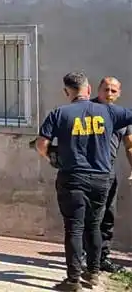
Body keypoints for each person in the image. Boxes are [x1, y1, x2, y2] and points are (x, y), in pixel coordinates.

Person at [35, 72, 132, 291]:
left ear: (66, 92)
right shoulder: (109, 111)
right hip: (101, 178)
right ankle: (93, 274)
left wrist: (51, 157)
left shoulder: (59, 113)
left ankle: (73, 281)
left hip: (72, 178)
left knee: (74, 228)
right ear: (88, 90)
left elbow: (41, 144)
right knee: (94, 226)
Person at [93, 76, 130, 274]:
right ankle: (83, 257)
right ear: (98, 89)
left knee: (108, 216)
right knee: (89, 216)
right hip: (88, 172)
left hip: (108, 172)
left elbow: (130, 144)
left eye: (113, 91)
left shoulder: (122, 116)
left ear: (119, 93)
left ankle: (102, 258)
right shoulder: (86, 110)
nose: (108, 94)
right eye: (105, 89)